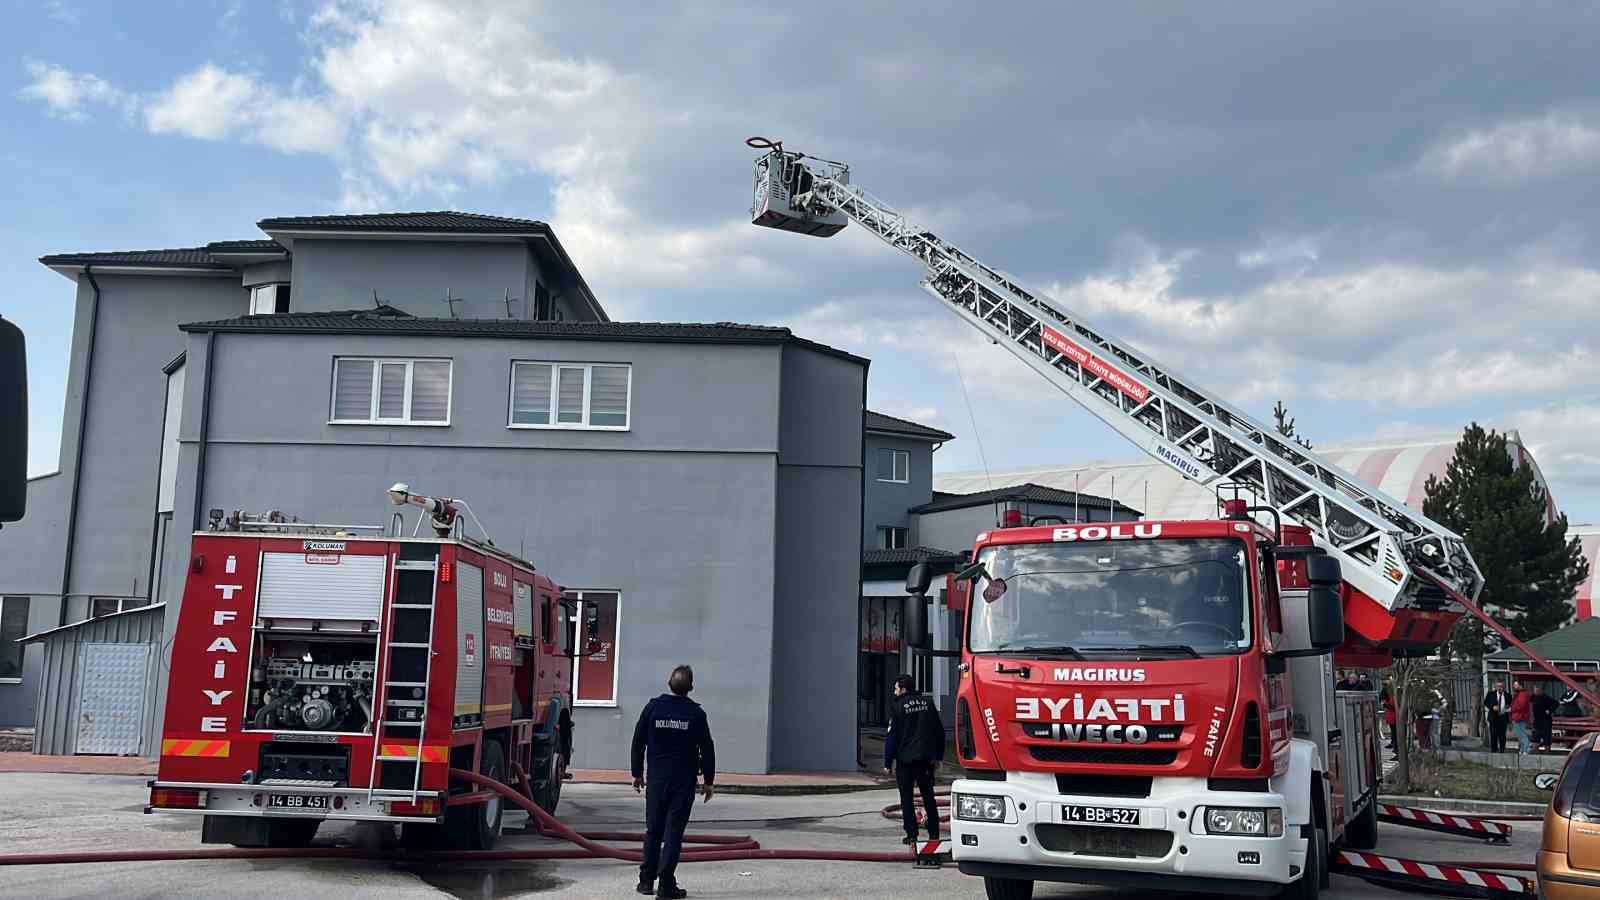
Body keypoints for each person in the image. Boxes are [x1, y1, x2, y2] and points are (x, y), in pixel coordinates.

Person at [631, 665, 716, 899]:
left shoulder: (653, 708)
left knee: (653, 830)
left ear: (669, 683)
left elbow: (638, 742)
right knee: (673, 833)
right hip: (683, 782)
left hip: (657, 780)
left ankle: (646, 881)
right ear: (691, 687)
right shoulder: (696, 714)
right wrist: (708, 781)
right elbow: (707, 749)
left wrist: (637, 773)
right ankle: (666, 885)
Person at [883, 674, 945, 846]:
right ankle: (934, 834)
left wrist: (888, 762)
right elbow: (939, 732)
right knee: (929, 797)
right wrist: (938, 756)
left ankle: (912, 835)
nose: (895, 692)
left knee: (907, 798)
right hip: (926, 759)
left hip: (906, 761)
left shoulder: (897, 706)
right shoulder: (928, 703)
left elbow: (892, 737)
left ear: (903, 689)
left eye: (896, 689)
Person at [1484, 680, 1511, 754]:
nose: (1500, 688)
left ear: (1504, 687)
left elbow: (1510, 704)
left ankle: (1502, 751)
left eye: (1501, 686)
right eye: (1498, 686)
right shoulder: (1491, 694)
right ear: (1495, 687)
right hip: (1493, 718)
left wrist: (1507, 707)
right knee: (1493, 735)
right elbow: (1486, 702)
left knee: (1502, 736)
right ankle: (1494, 751)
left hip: (1503, 718)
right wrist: (1492, 707)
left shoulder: (1507, 695)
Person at [1532, 684, 1558, 752]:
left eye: (1537, 690)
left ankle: (1547, 749)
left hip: (1546, 720)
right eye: (1535, 690)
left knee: (1546, 735)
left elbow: (1556, 703)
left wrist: (1549, 711)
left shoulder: (1546, 697)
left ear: (1541, 691)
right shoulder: (1534, 697)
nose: (1535, 692)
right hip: (1537, 720)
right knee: (1536, 735)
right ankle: (1535, 749)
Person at [1510, 682, 1532, 754]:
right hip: (1517, 716)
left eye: (1516, 685)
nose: (1514, 686)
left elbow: (1520, 705)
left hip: (1520, 717)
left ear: (1521, 686)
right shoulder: (1519, 694)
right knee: (1519, 734)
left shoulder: (1523, 694)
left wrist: (1511, 708)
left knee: (1521, 733)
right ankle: (1523, 749)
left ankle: (1527, 747)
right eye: (1514, 685)